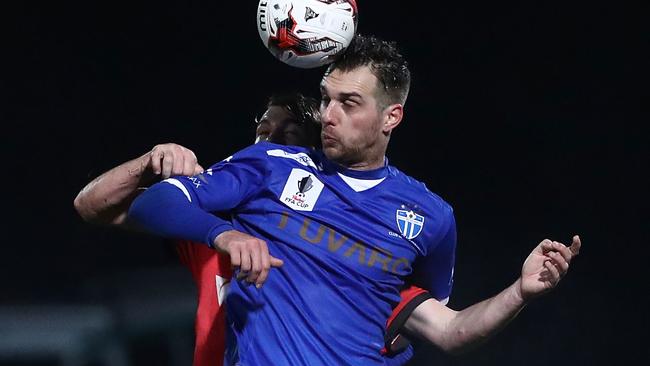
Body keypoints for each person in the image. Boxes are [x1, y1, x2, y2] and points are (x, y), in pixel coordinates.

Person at [126, 34, 581, 365]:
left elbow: (445, 328)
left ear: (391, 117)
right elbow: (153, 204)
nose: (328, 115)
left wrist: (519, 292)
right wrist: (222, 233)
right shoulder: (272, 165)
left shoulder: (431, 218)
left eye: (349, 103)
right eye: (326, 99)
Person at [74, 92, 425, 365]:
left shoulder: (349, 252)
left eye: (286, 137)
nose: (267, 146)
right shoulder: (212, 219)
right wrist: (148, 163)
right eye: (262, 133)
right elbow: (91, 206)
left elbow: (430, 329)